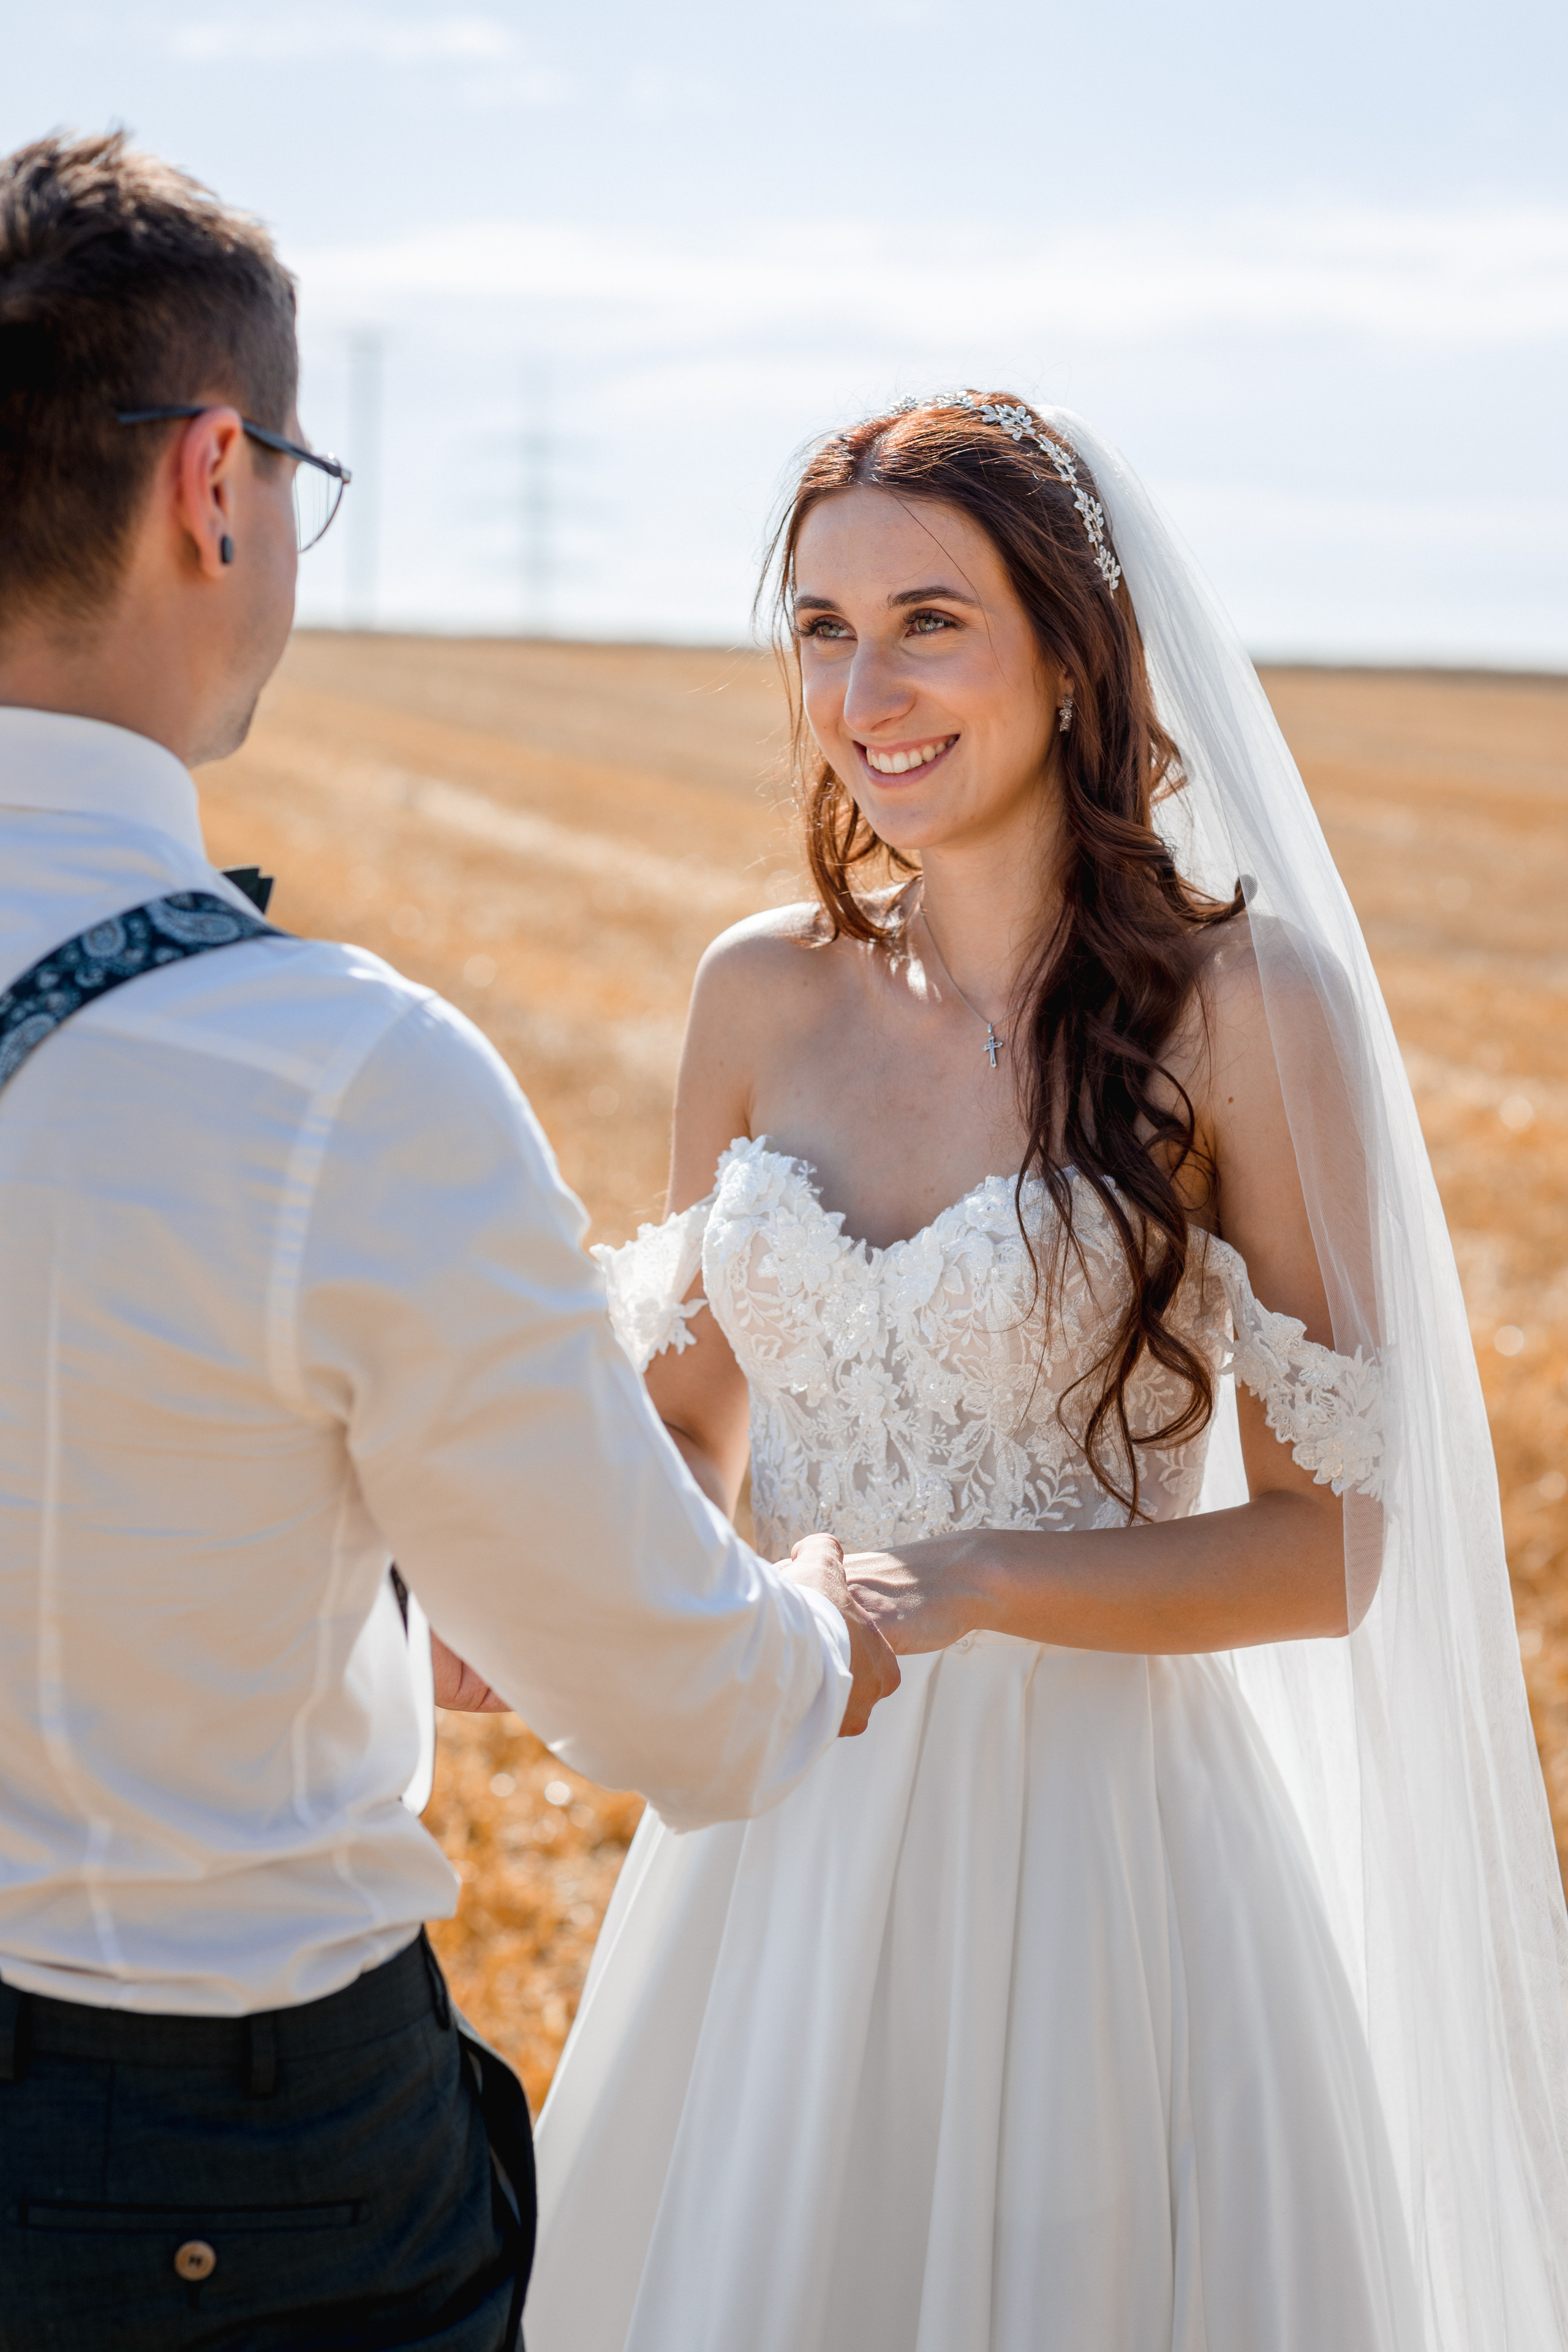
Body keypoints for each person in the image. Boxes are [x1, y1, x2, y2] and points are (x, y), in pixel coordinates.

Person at [527, 393, 1568, 2349]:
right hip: (784, 1829)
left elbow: (1326, 1552)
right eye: (824, 628)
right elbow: (688, 1429)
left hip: (1110, 1875)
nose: (865, 687)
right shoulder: (754, 992)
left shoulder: (1244, 1009)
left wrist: (986, 1579)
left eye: (930, 620)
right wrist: (563, 1585)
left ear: (1075, 652)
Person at [0, 132, 897, 2352]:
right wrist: (838, 1612)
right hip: (217, 2185)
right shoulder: (328, 1080)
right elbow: (692, 1709)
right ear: (218, 481)